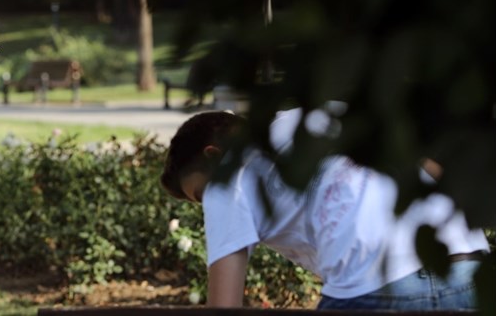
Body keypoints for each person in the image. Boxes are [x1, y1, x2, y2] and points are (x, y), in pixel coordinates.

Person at [161, 109, 489, 310]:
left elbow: (224, 307)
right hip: (468, 268)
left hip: (376, 290)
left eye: (199, 194)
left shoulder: (226, 175)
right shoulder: (310, 115)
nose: (208, 204)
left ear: (212, 154)